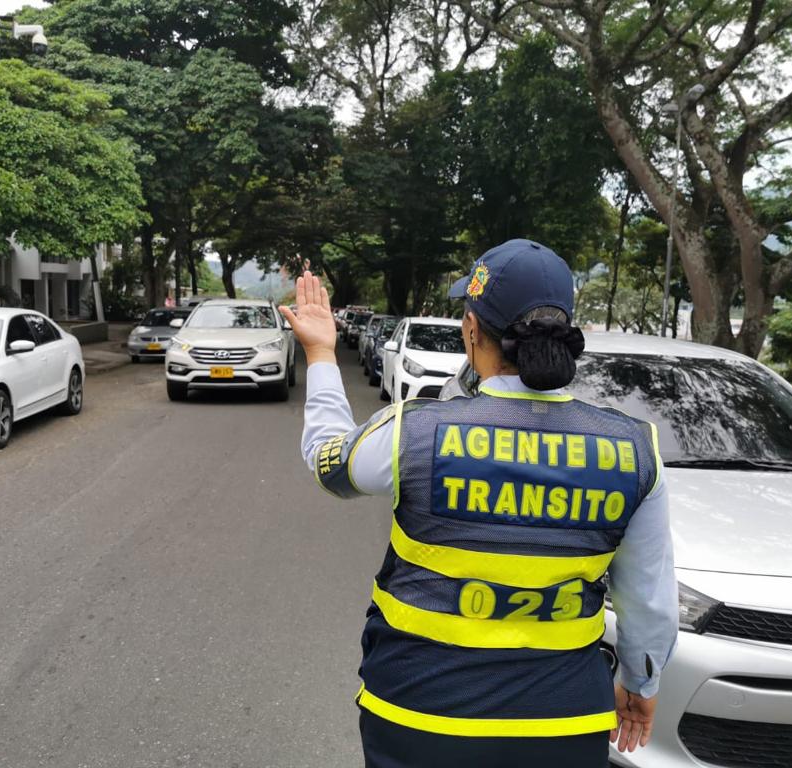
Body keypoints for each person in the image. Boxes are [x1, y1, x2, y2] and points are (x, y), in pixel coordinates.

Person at [279, 239, 678, 768]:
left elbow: (328, 462)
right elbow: (649, 602)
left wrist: (321, 354)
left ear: (471, 329)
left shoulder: (413, 432)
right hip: (564, 722)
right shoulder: (635, 450)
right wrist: (642, 682)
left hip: (418, 714)